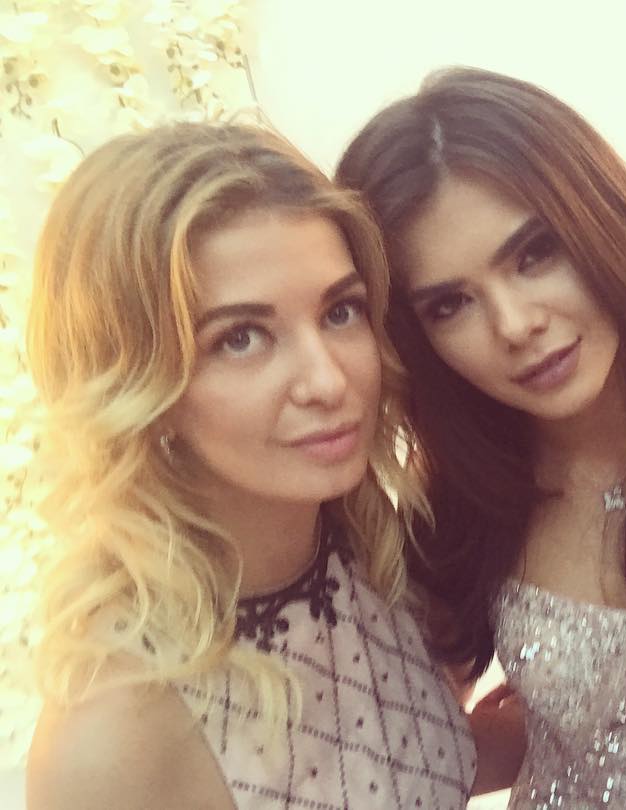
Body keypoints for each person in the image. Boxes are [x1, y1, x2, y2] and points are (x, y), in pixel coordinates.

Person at [335, 67, 626, 807]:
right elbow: (414, 755)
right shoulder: (456, 517)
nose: (515, 324)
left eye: (534, 255)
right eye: (450, 305)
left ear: (600, 223)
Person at [24, 123, 475, 810]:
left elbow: (410, 774)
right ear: (139, 386)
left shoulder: (367, 544)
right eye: (240, 338)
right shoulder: (114, 736)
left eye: (340, 311)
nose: (328, 381)